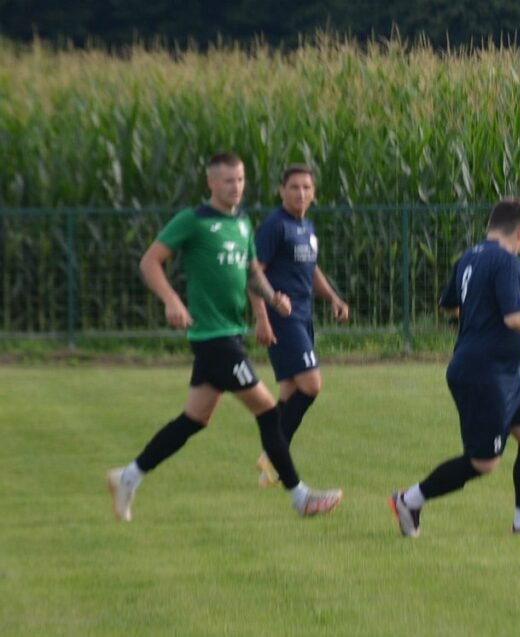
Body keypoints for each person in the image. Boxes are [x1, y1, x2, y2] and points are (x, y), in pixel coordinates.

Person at [106, 152, 343, 521]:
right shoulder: (193, 221)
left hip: (231, 332)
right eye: (228, 180)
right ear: (211, 183)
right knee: (268, 411)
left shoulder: (243, 223)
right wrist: (172, 300)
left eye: (241, 180)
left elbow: (252, 273)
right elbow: (150, 261)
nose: (236, 187)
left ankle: (127, 477)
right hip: (214, 337)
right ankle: (301, 497)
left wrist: (272, 299)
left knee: (194, 418)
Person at [389, 197, 520, 537]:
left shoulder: (470, 257)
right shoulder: (507, 262)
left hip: (507, 372)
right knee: (483, 462)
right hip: (484, 373)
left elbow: (449, 305)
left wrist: (479, 313)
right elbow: (516, 317)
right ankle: (409, 500)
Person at [250, 164, 350, 488]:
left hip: (303, 317)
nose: (301, 193)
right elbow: (253, 274)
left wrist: (332, 297)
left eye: (307, 187)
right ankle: (273, 457)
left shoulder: (306, 225)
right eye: (294, 187)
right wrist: (263, 318)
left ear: (314, 192)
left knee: (291, 392)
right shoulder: (275, 226)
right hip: (283, 318)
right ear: (282, 191)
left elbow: (311, 267)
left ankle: (270, 460)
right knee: (312, 385)